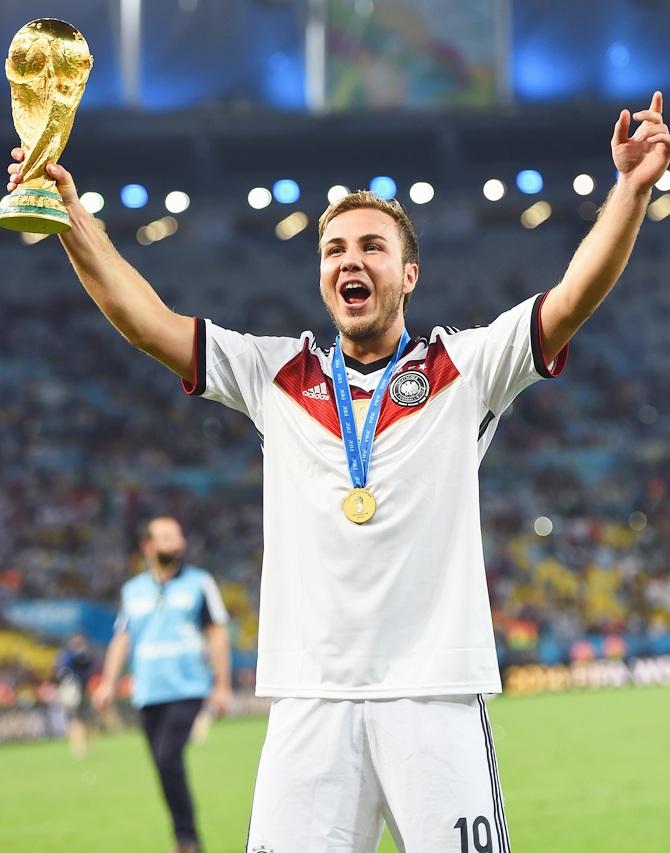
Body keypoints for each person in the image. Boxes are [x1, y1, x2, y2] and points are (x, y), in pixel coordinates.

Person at [8, 93, 670, 851]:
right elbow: (147, 321)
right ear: (322, 275)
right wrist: (70, 217)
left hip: (435, 695)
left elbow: (572, 296)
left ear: (409, 273)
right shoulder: (275, 373)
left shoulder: (465, 366)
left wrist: (631, 188)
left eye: (372, 246)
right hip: (309, 699)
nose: (350, 259)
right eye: (334, 250)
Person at [91, 516, 232, 853]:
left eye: (178, 536)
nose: (176, 542)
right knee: (162, 765)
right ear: (148, 546)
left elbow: (217, 633)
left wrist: (222, 684)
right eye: (167, 536)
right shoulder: (132, 590)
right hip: (148, 692)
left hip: (187, 688)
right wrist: (108, 682)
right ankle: (184, 836)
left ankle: (187, 840)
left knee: (168, 758)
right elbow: (122, 639)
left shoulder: (200, 582)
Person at [55, 632, 97, 758]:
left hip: (83, 690)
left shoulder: (86, 655)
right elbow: (62, 671)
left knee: (86, 718)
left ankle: (89, 746)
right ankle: (77, 747)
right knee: (74, 719)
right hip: (72, 690)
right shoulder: (67, 655)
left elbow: (91, 665)